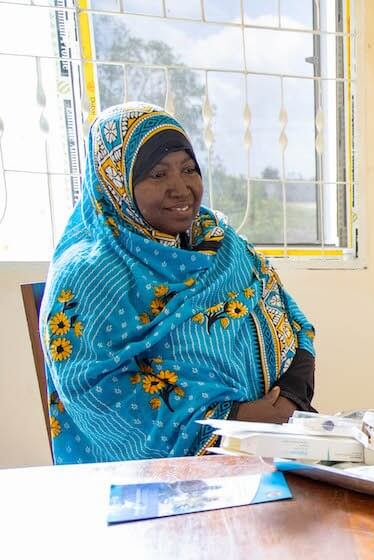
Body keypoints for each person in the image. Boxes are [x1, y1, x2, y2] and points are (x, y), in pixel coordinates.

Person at [41, 102, 317, 465]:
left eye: (189, 169)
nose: (181, 188)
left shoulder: (221, 243)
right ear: (117, 183)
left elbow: (293, 321)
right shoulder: (88, 274)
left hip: (275, 438)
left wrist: (288, 403)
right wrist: (233, 420)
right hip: (167, 474)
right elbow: (95, 390)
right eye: (157, 174)